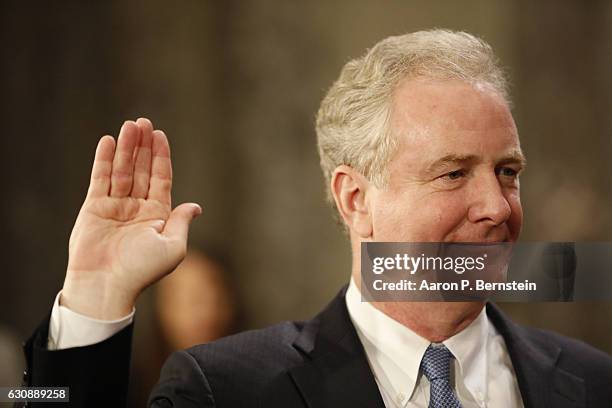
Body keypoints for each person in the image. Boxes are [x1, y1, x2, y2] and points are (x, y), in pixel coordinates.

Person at [21, 29, 612, 407]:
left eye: (508, 172)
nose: (497, 207)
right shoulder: (227, 391)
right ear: (356, 198)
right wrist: (95, 303)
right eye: (453, 174)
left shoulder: (593, 384)